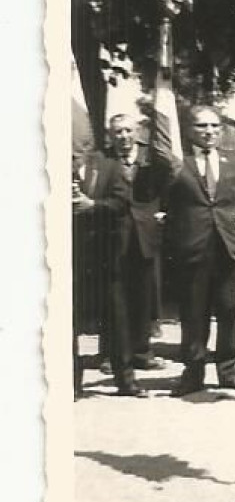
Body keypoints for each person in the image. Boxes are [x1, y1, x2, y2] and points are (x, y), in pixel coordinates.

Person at [165, 105, 235, 396]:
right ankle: (193, 373)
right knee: (193, 313)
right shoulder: (179, 163)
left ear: (221, 130)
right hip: (192, 246)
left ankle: (228, 370)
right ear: (190, 130)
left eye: (215, 126)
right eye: (202, 126)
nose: (209, 132)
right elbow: (159, 197)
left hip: (228, 246)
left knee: (228, 310)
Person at [104, 112, 172, 371]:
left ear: (138, 132)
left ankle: (142, 353)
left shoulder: (153, 159)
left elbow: (171, 184)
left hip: (146, 233)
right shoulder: (103, 159)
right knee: (115, 298)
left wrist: (165, 210)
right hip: (113, 235)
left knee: (145, 295)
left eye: (128, 131)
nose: (123, 137)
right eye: (118, 132)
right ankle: (113, 357)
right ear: (111, 135)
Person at [72, 147, 137, 397]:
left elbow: (122, 203)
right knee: (67, 320)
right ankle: (71, 383)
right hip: (66, 255)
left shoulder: (109, 167)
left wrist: (93, 205)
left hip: (103, 255)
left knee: (116, 318)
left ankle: (126, 381)